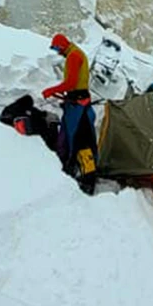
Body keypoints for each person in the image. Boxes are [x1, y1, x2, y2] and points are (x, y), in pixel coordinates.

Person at [43, 33, 97, 194]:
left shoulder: (73, 56)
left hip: (77, 105)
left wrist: (51, 90)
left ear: (62, 46)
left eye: (57, 48)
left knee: (75, 139)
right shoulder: (77, 52)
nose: (57, 52)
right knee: (78, 137)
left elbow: (70, 83)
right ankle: (78, 169)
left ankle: (79, 174)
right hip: (81, 102)